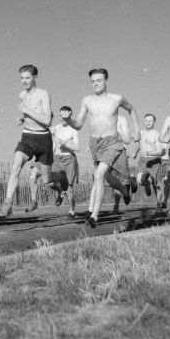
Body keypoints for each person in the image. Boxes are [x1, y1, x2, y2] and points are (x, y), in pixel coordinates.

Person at [65, 68, 140, 227]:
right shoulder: (87, 101)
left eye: (99, 80)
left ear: (106, 81)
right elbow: (78, 125)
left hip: (112, 142)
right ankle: (124, 192)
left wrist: (137, 130)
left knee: (101, 175)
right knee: (105, 177)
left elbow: (132, 110)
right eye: (92, 81)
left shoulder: (117, 99)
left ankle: (95, 215)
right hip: (95, 143)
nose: (96, 84)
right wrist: (69, 119)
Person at [0, 65, 63, 218]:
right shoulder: (22, 95)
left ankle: (60, 181)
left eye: (27, 78)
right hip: (27, 137)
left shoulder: (43, 94)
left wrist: (26, 111)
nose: (24, 81)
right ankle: (7, 204)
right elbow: (31, 115)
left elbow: (46, 120)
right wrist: (23, 119)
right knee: (16, 166)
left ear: (35, 77)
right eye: (22, 78)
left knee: (46, 180)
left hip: (43, 139)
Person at [50, 106, 80, 218]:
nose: (61, 116)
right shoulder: (56, 128)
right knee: (48, 180)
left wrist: (64, 143)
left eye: (64, 114)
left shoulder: (73, 129)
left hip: (69, 159)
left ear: (70, 114)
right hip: (57, 158)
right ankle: (60, 192)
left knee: (70, 189)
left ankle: (71, 211)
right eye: (60, 114)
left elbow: (77, 148)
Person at [111, 113, 138, 214]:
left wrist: (116, 136)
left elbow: (127, 139)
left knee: (125, 178)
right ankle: (116, 206)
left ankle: (132, 182)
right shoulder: (102, 118)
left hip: (120, 151)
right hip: (108, 154)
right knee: (115, 181)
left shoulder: (121, 119)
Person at [135, 114, 164, 203]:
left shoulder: (157, 134)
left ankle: (159, 204)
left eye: (150, 121)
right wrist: (134, 153)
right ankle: (147, 184)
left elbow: (160, 151)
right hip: (143, 161)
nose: (148, 123)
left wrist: (149, 152)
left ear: (154, 122)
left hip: (154, 161)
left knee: (157, 184)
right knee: (140, 180)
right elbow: (137, 145)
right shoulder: (140, 133)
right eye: (146, 121)